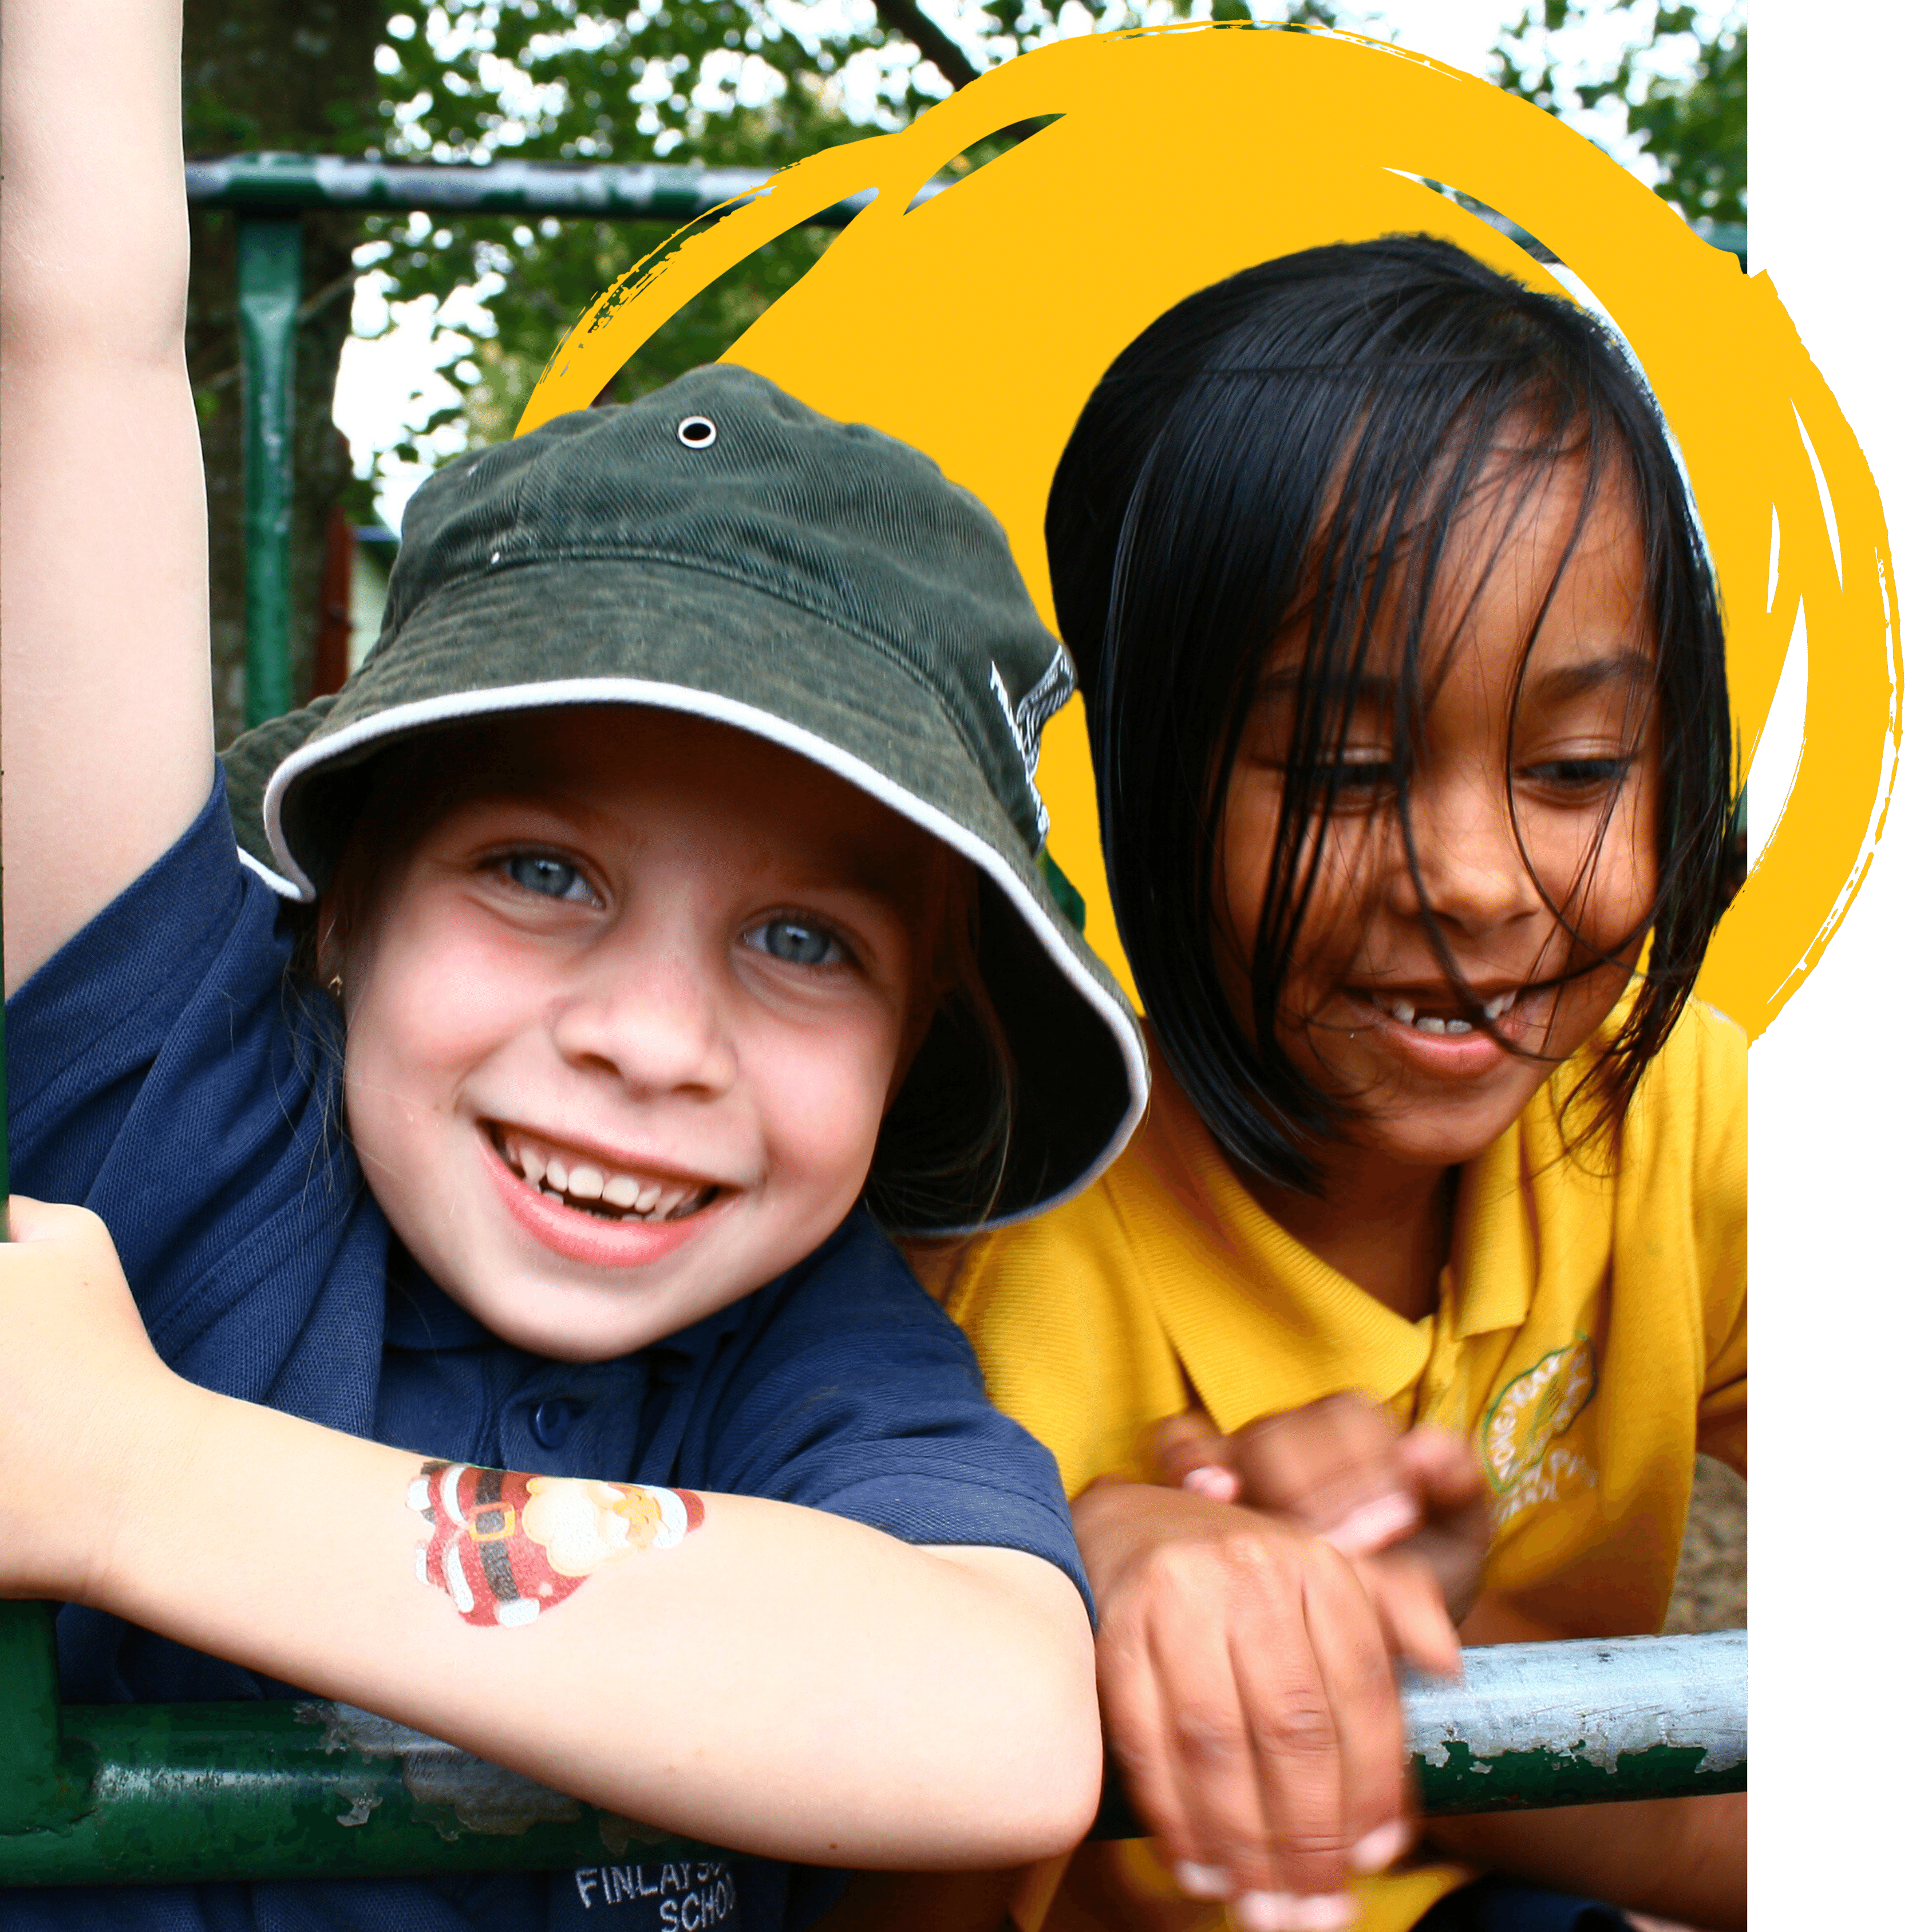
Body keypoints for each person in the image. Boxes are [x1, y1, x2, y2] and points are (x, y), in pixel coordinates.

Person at [0, 3, 1151, 1927]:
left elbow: (1001, 1712)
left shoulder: (813, 1356)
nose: (646, 1037)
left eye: (804, 941)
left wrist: (135, 1474)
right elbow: (75, 326)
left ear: (915, 1042)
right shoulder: (171, 1120)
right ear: (339, 903)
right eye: (539, 870)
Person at [918, 239, 1747, 1932]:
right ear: (1149, 774)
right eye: (1346, 769)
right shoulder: (981, 1261)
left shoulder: (1674, 1117)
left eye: (1576, 766)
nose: (1469, 878)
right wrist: (1081, 1571)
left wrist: (1434, 1668)